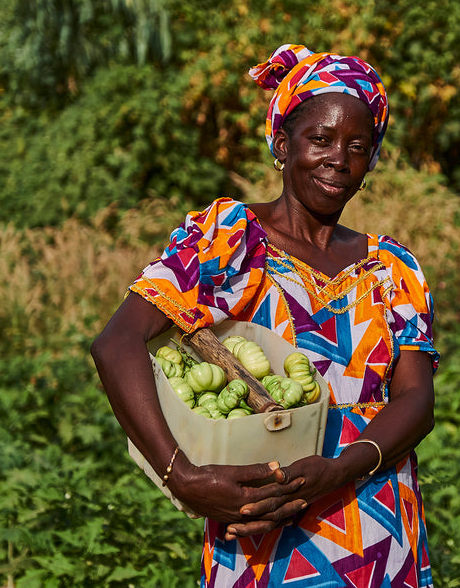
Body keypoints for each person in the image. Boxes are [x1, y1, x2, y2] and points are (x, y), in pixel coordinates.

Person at [91, 44, 439, 586]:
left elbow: (417, 400)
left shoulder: (395, 268)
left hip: (378, 530)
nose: (338, 160)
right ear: (282, 144)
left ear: (371, 161)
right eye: (320, 140)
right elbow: (116, 344)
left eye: (357, 146)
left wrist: (340, 470)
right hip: (264, 531)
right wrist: (180, 475)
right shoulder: (231, 239)